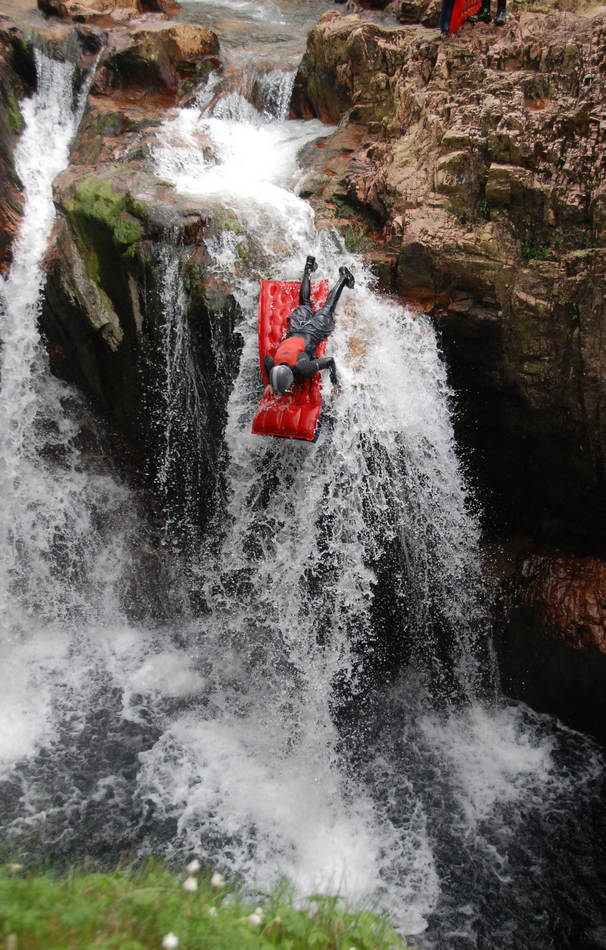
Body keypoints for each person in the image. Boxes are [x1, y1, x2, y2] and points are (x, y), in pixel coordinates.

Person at [263, 256, 355, 397]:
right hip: (295, 327)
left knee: (328, 307)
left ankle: (344, 276)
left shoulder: (303, 368)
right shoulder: (273, 365)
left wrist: (335, 383)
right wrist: (271, 382)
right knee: (305, 303)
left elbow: (330, 361)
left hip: (312, 332)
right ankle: (308, 267)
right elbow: (267, 359)